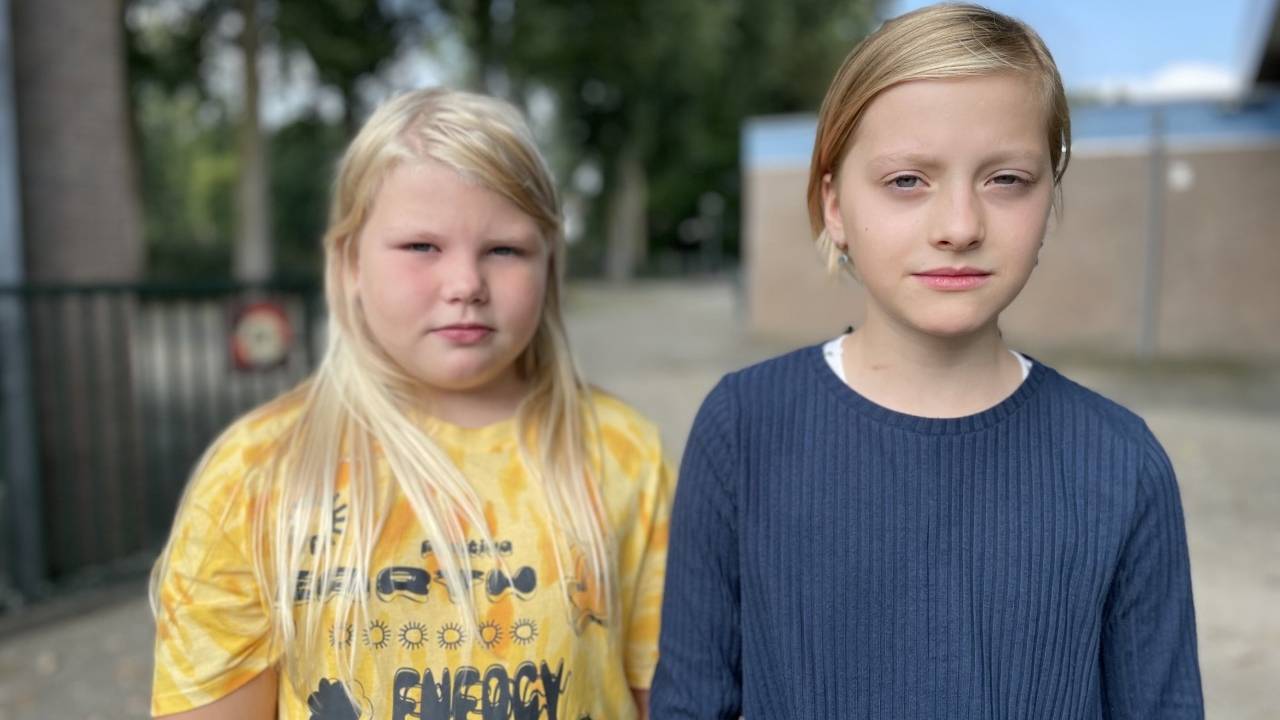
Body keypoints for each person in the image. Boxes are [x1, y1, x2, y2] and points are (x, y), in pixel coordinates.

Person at [650, 4, 1203, 718]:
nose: (960, 227)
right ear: (835, 206)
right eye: (908, 180)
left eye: (1007, 179)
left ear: (1050, 199)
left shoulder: (1122, 463)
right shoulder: (744, 428)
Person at [150, 88, 671, 720]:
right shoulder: (254, 473)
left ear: (549, 263)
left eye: (504, 250)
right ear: (350, 263)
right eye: (422, 247)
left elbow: (668, 696)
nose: (466, 285)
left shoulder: (624, 453)